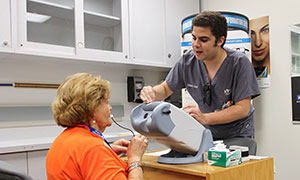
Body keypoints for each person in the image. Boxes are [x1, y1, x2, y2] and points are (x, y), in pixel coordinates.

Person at [140, 11, 260, 154]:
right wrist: (152, 92)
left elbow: (242, 108)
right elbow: (165, 89)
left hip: (236, 134)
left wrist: (204, 117)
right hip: (205, 133)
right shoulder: (187, 61)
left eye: (203, 40)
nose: (196, 45)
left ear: (220, 41)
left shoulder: (239, 63)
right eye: (194, 38)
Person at [46, 73, 148, 180]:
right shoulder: (92, 148)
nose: (110, 107)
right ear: (92, 109)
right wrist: (135, 160)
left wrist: (107, 151)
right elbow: (89, 153)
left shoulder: (61, 140)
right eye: (106, 102)